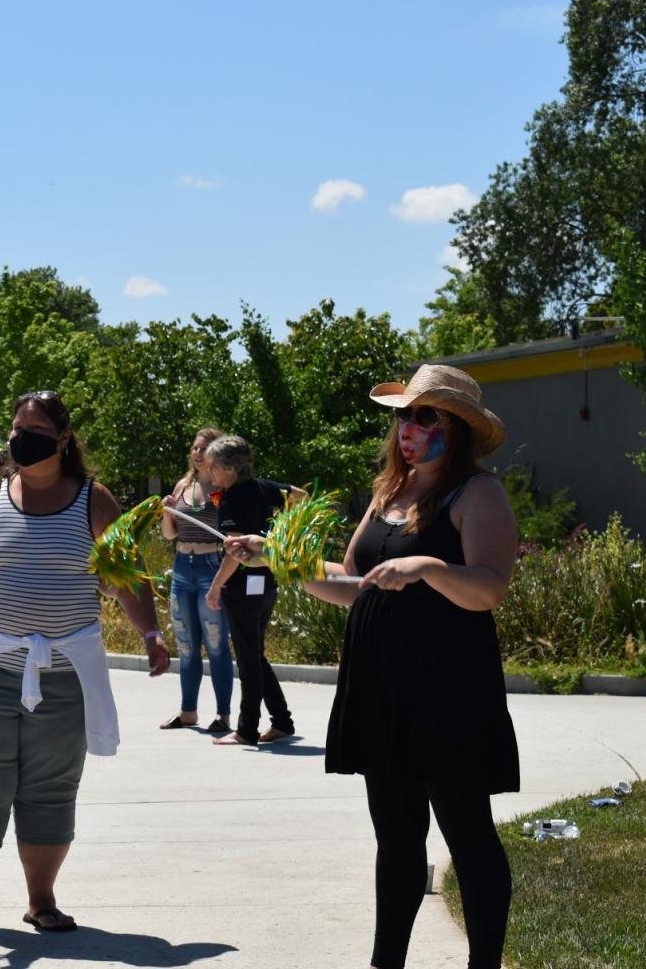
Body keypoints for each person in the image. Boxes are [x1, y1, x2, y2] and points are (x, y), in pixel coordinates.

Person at [226, 364, 519, 969]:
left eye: (425, 415)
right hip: (382, 683)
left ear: (456, 429)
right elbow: (353, 582)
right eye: (403, 415)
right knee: (396, 836)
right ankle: (386, 962)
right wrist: (279, 556)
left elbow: (489, 588)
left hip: (446, 685)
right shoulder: (391, 492)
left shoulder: (476, 493)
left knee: (468, 834)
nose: (408, 427)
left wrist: (429, 569)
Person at [0, 390, 170, 935]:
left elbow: (125, 577)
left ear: (64, 440)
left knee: (50, 790)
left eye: (34, 430)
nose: (19, 440)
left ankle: (41, 900)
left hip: (64, 674)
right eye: (15, 429)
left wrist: (150, 632)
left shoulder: (94, 502)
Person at [203, 436, 303, 746]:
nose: (210, 473)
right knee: (254, 654)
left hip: (243, 585)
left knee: (248, 659)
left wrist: (216, 586)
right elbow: (300, 494)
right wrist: (283, 528)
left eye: (214, 466)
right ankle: (282, 721)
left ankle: (247, 729)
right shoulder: (266, 488)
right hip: (267, 580)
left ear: (230, 468)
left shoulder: (232, 498)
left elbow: (235, 552)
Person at [158, 427, 233, 733]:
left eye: (204, 448)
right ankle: (187, 711)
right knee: (187, 646)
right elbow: (170, 533)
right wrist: (167, 513)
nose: (197, 453)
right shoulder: (183, 485)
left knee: (216, 644)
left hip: (210, 566)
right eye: (194, 448)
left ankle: (223, 715)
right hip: (181, 567)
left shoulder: (224, 487)